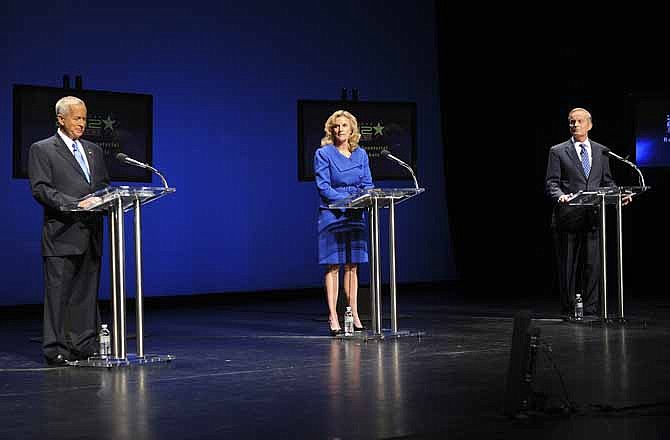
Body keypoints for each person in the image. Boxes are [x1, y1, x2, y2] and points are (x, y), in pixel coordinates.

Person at [28, 96, 110, 365]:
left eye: (85, 118)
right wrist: (75, 205)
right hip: (62, 234)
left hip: (92, 233)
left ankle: (84, 344)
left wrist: (103, 199)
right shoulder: (42, 149)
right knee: (58, 295)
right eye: (77, 118)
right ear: (61, 119)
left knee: (86, 294)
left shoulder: (93, 150)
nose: (82, 123)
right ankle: (57, 348)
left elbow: (103, 186)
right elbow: (41, 188)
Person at [545, 107, 615, 319]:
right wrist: (560, 196)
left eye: (579, 121)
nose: (574, 125)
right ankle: (568, 309)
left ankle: (592, 310)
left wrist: (619, 195)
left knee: (593, 266)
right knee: (568, 267)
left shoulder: (602, 151)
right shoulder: (557, 151)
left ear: (590, 125)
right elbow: (552, 183)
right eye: (571, 122)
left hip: (593, 217)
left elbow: (607, 181)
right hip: (567, 217)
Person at [314, 110, 373, 335]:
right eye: (336, 126)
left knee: (353, 266)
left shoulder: (361, 154)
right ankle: (333, 316)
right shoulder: (323, 153)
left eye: (344, 126)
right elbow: (323, 186)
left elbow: (368, 183)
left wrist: (360, 201)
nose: (340, 129)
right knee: (334, 266)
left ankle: (354, 313)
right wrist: (347, 201)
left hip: (356, 214)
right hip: (333, 213)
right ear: (331, 129)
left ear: (352, 130)